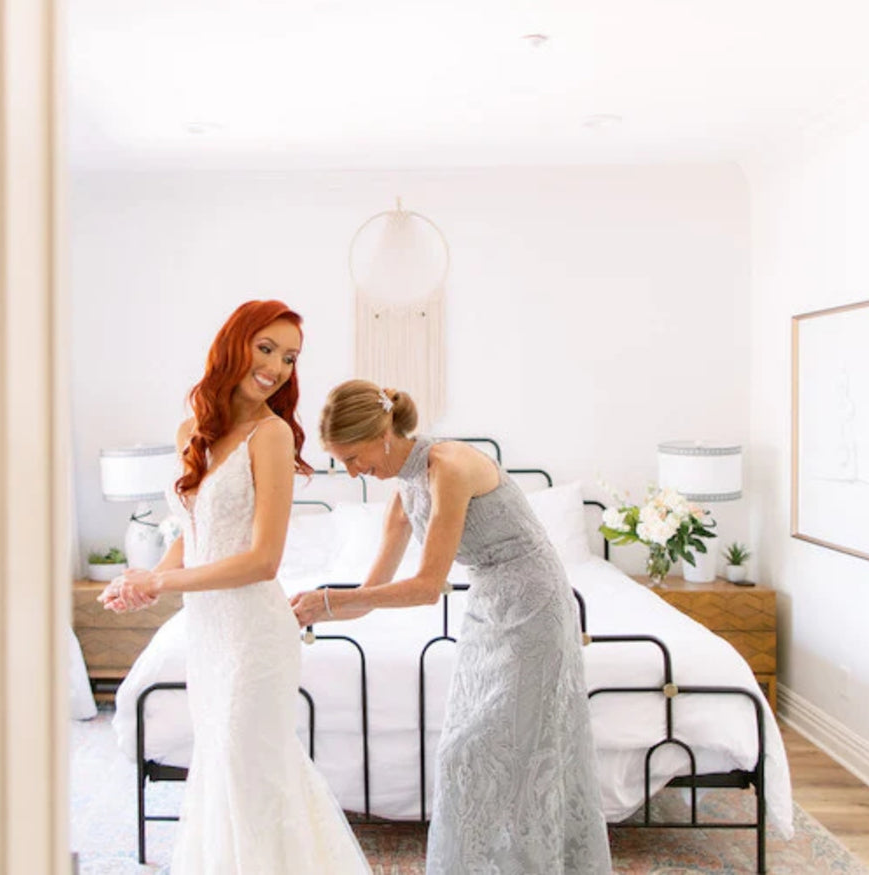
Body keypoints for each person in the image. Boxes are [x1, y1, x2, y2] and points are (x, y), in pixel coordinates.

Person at [291, 380, 613, 874]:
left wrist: (332, 601)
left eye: (353, 458)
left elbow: (425, 586)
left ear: (381, 434)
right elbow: (372, 591)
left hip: (535, 607)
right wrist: (310, 609)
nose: (355, 472)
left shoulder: (449, 466)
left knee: (491, 752)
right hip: (488, 608)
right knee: (466, 755)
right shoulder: (404, 491)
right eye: (343, 463)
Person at [103, 301, 370, 874]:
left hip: (254, 634)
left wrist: (162, 578)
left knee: (252, 771)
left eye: (290, 357)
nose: (276, 366)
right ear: (235, 343)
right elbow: (193, 534)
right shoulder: (190, 430)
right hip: (208, 633)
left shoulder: (270, 435)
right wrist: (143, 583)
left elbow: (261, 561)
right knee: (223, 771)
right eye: (267, 348)